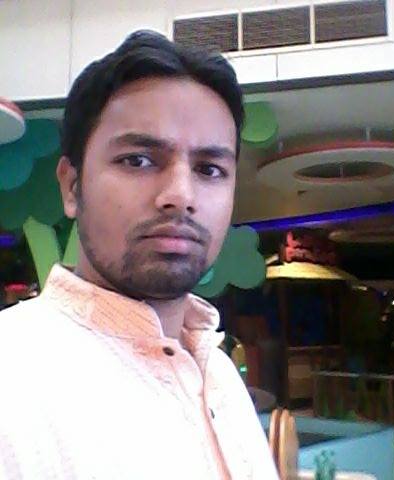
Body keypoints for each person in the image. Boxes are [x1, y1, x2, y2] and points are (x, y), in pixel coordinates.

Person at [0, 31, 279, 480]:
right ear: (71, 186)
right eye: (138, 161)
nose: (181, 195)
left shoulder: (221, 376)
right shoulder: (11, 377)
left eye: (209, 169)